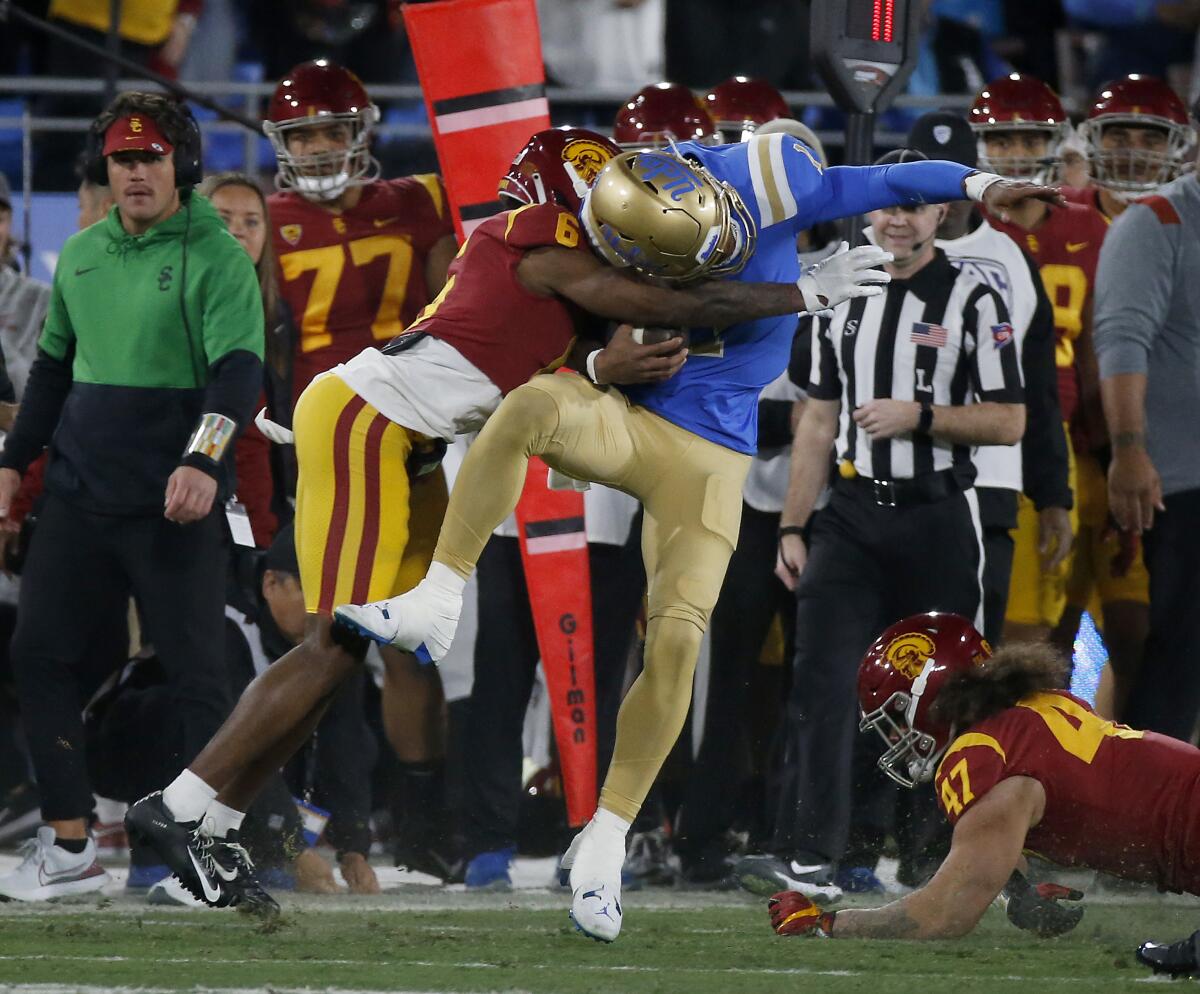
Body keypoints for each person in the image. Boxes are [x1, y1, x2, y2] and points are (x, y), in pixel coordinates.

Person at [337, 137, 1062, 941]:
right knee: (528, 408)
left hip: (711, 454)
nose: (678, 284)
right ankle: (439, 596)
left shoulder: (772, 182)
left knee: (678, 640)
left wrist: (982, 180)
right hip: (628, 421)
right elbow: (554, 339)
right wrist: (604, 364)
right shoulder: (595, 217)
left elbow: (890, 177)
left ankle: (606, 843)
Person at [124, 126, 854, 910]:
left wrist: (610, 363)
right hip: (366, 424)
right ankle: (179, 806)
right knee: (331, 640)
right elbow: (664, 300)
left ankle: (214, 816)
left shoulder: (543, 261)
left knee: (351, 649)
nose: (627, 216)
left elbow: (549, 358)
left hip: (410, 442)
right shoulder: (541, 243)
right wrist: (799, 291)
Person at [737, 150, 1025, 901]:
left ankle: (931, 856)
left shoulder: (973, 296)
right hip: (853, 518)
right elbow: (817, 418)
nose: (898, 218)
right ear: (870, 212)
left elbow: (1010, 420)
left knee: (941, 696)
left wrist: (922, 416)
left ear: (941, 214)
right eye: (888, 204)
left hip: (937, 516)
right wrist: (794, 526)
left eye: (914, 205)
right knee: (824, 684)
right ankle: (811, 857)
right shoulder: (842, 291)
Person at [0, 91, 264, 902]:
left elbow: (238, 373)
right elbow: (50, 369)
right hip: (79, 494)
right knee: (37, 654)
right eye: (123, 159)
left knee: (196, 673)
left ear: (179, 164)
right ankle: (70, 843)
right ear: (105, 169)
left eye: (150, 158)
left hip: (169, 501)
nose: (137, 172)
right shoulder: (79, 254)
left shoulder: (217, 255)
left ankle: (208, 851)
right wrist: (13, 464)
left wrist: (205, 463)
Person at [763, 610, 1200, 982]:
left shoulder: (979, 754)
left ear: (928, 694)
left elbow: (942, 914)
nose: (896, 736)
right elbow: (1023, 817)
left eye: (897, 717)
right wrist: (1019, 891)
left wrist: (828, 923)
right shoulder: (1031, 711)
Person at [263, 60, 459, 865]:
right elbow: (262, 338)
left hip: (411, 444)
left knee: (411, 646)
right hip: (320, 452)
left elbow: (461, 302)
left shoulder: (420, 203)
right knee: (323, 642)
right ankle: (329, 818)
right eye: (300, 133)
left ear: (360, 133)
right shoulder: (265, 219)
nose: (313, 147)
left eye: (327, 131)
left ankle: (420, 824)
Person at [1054, 75, 1192, 716]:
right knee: (1040, 636)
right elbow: (1119, 339)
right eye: (1120, 133)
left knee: (1143, 637)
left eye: (1149, 135)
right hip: (1068, 456)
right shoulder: (1052, 217)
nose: (1135, 149)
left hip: (1138, 460)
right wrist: (1129, 448)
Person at [907, 113, 1070, 646]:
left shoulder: (1012, 261)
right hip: (889, 482)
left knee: (971, 649)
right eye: (929, 179)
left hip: (991, 479)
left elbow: (1038, 385)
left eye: (953, 179)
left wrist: (1052, 496)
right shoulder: (875, 253)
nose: (943, 196)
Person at [970, 73, 1111, 645]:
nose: (1017, 154)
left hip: (1062, 438)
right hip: (982, 436)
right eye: (1002, 141)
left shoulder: (1090, 228)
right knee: (1003, 621)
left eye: (1030, 140)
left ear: (1057, 143)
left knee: (1053, 625)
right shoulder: (964, 225)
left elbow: (1102, 347)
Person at [1090, 100, 1200, 741]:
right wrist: (1130, 450)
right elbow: (1121, 340)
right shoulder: (1156, 220)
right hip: (1182, 479)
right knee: (1182, 649)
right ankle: (1138, 827)